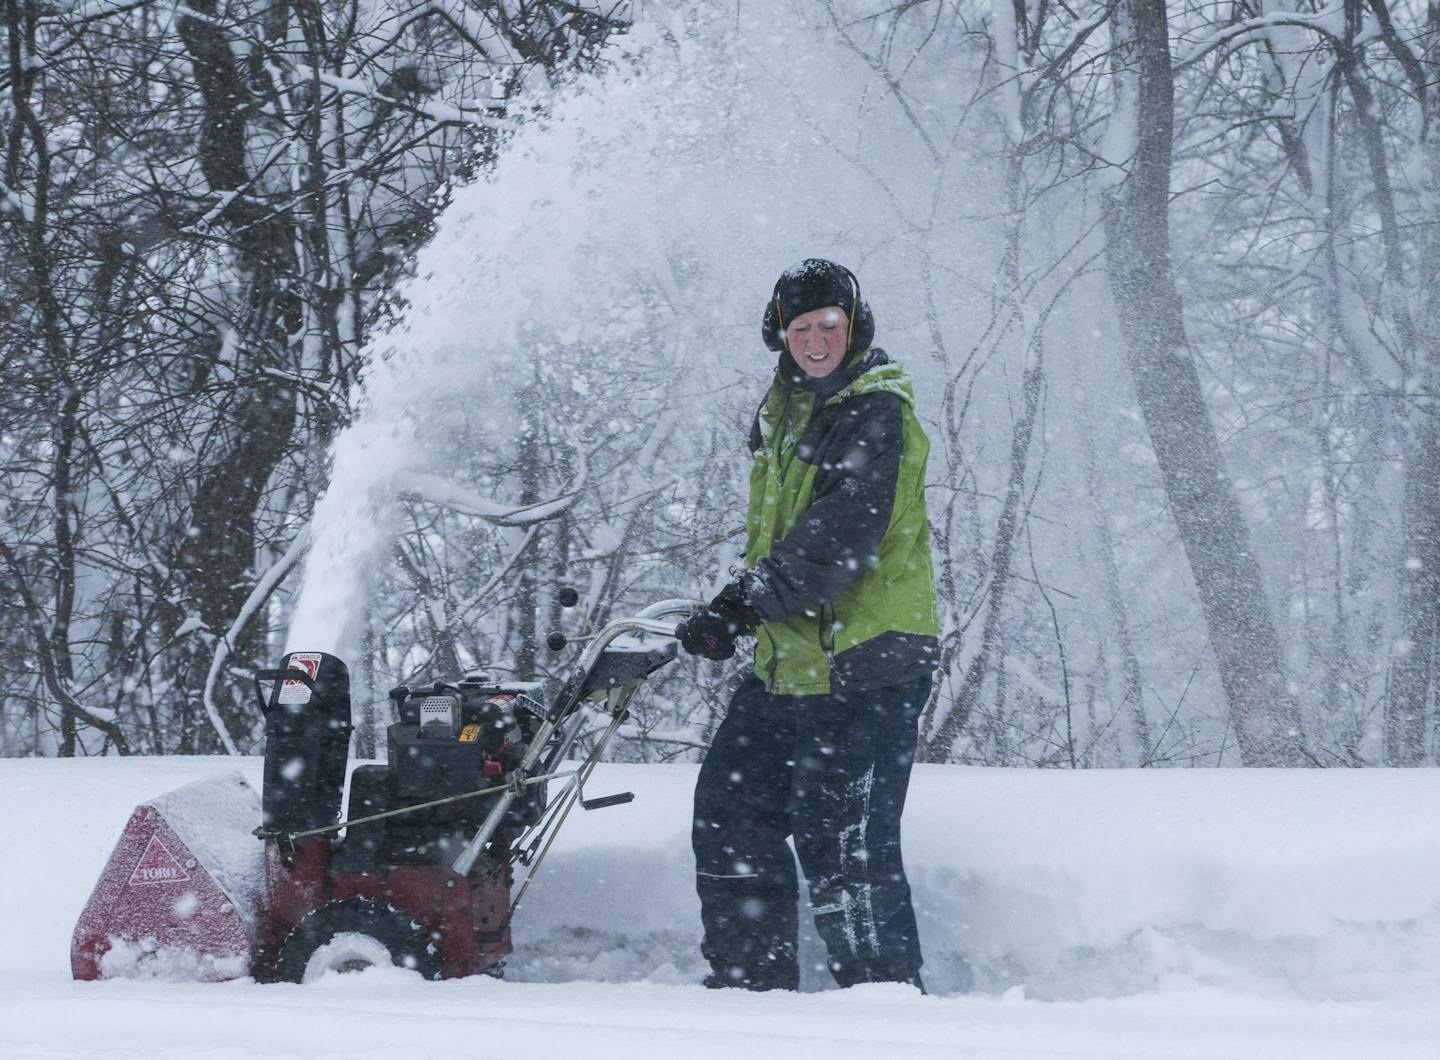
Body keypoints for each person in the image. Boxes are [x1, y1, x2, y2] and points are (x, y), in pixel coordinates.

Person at [679, 258, 940, 992]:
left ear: (853, 328)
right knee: (731, 815)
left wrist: (742, 602)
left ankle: (885, 1013)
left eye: (830, 325)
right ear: (780, 333)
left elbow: (842, 538)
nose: (817, 340)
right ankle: (749, 996)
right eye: (802, 327)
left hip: (867, 663)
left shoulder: (874, 410)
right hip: (792, 659)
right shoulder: (787, 408)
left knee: (846, 848)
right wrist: (742, 609)